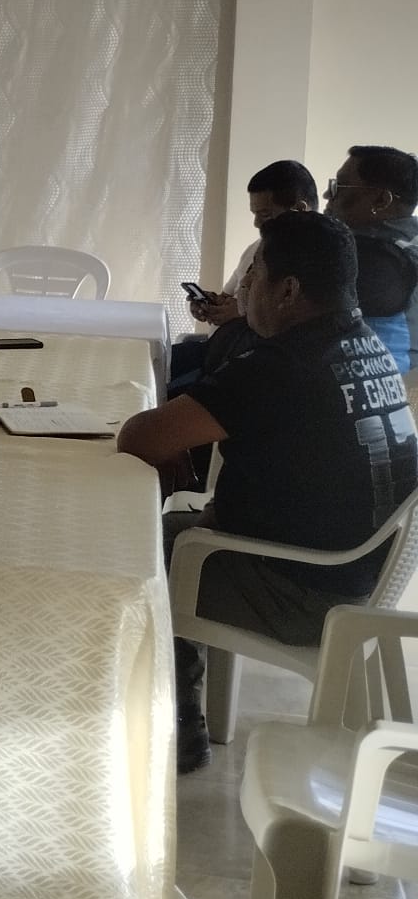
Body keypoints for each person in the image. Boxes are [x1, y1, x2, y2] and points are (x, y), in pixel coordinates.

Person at [118, 211, 417, 774]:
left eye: (254, 273)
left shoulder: (281, 366)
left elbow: (139, 438)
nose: (245, 287)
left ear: (288, 290)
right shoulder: (367, 346)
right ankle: (184, 706)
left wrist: (182, 463)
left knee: (133, 544)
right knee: (179, 531)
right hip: (359, 577)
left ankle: (170, 723)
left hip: (301, 593)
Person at [186, 159, 319, 329]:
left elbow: (300, 322)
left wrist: (244, 313)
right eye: (254, 214)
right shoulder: (255, 248)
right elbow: (227, 297)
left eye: (265, 214)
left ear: (299, 210)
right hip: (222, 342)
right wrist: (210, 304)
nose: (256, 223)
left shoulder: (318, 258)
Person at [324, 145, 418, 373]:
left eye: (339, 186)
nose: (327, 195)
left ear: (381, 200)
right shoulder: (408, 242)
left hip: (373, 380)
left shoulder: (376, 260)